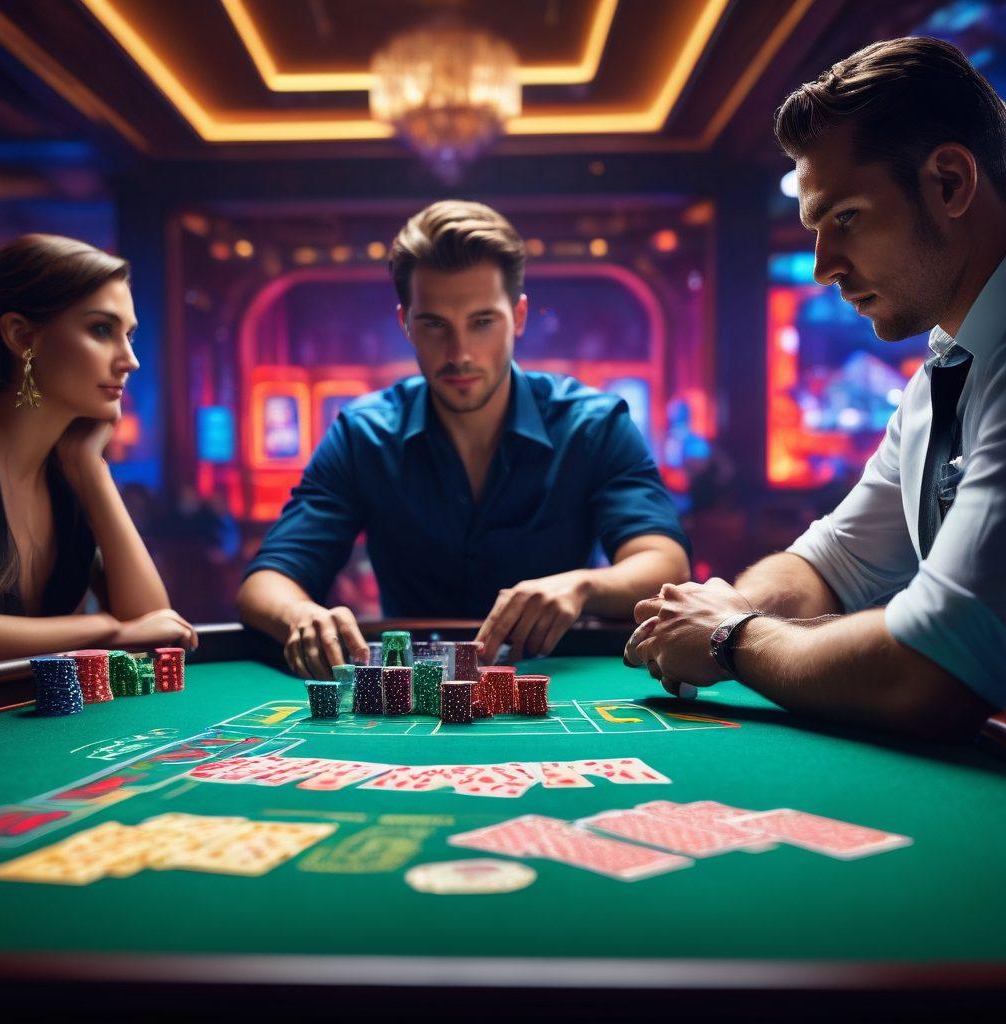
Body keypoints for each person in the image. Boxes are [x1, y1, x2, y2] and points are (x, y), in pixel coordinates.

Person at [626, 36, 1006, 741]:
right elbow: (832, 563)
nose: (822, 265)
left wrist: (729, 638)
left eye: (847, 218)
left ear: (950, 182)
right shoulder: (942, 377)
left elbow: (930, 667)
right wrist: (719, 609)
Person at [239, 201, 690, 677]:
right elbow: (266, 581)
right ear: (405, 323)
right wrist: (300, 615)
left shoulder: (594, 424)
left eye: (482, 322)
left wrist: (581, 586)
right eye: (435, 324)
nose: (460, 354)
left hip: (551, 687)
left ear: (517, 316)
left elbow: (665, 562)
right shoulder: (362, 434)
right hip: (411, 694)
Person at [0, 234, 197, 662]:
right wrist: (101, 629)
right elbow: (131, 629)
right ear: (22, 336)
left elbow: (156, 624)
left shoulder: (68, 471)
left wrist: (90, 468)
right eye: (102, 329)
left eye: (129, 335)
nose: (129, 360)